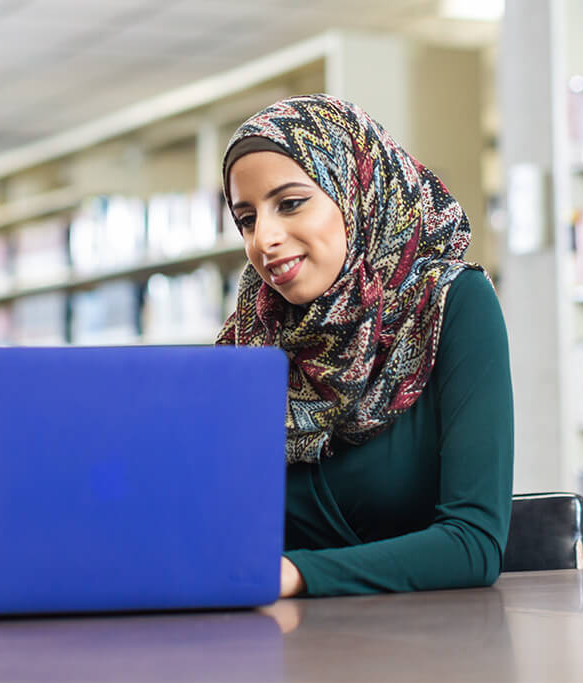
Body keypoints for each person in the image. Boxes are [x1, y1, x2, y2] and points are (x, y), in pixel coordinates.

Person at [216, 94, 514, 597]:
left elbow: (474, 544)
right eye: (246, 219)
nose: (263, 239)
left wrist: (295, 573)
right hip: (273, 647)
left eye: (290, 204)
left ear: (358, 194)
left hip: (428, 653)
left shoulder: (451, 303)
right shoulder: (249, 338)